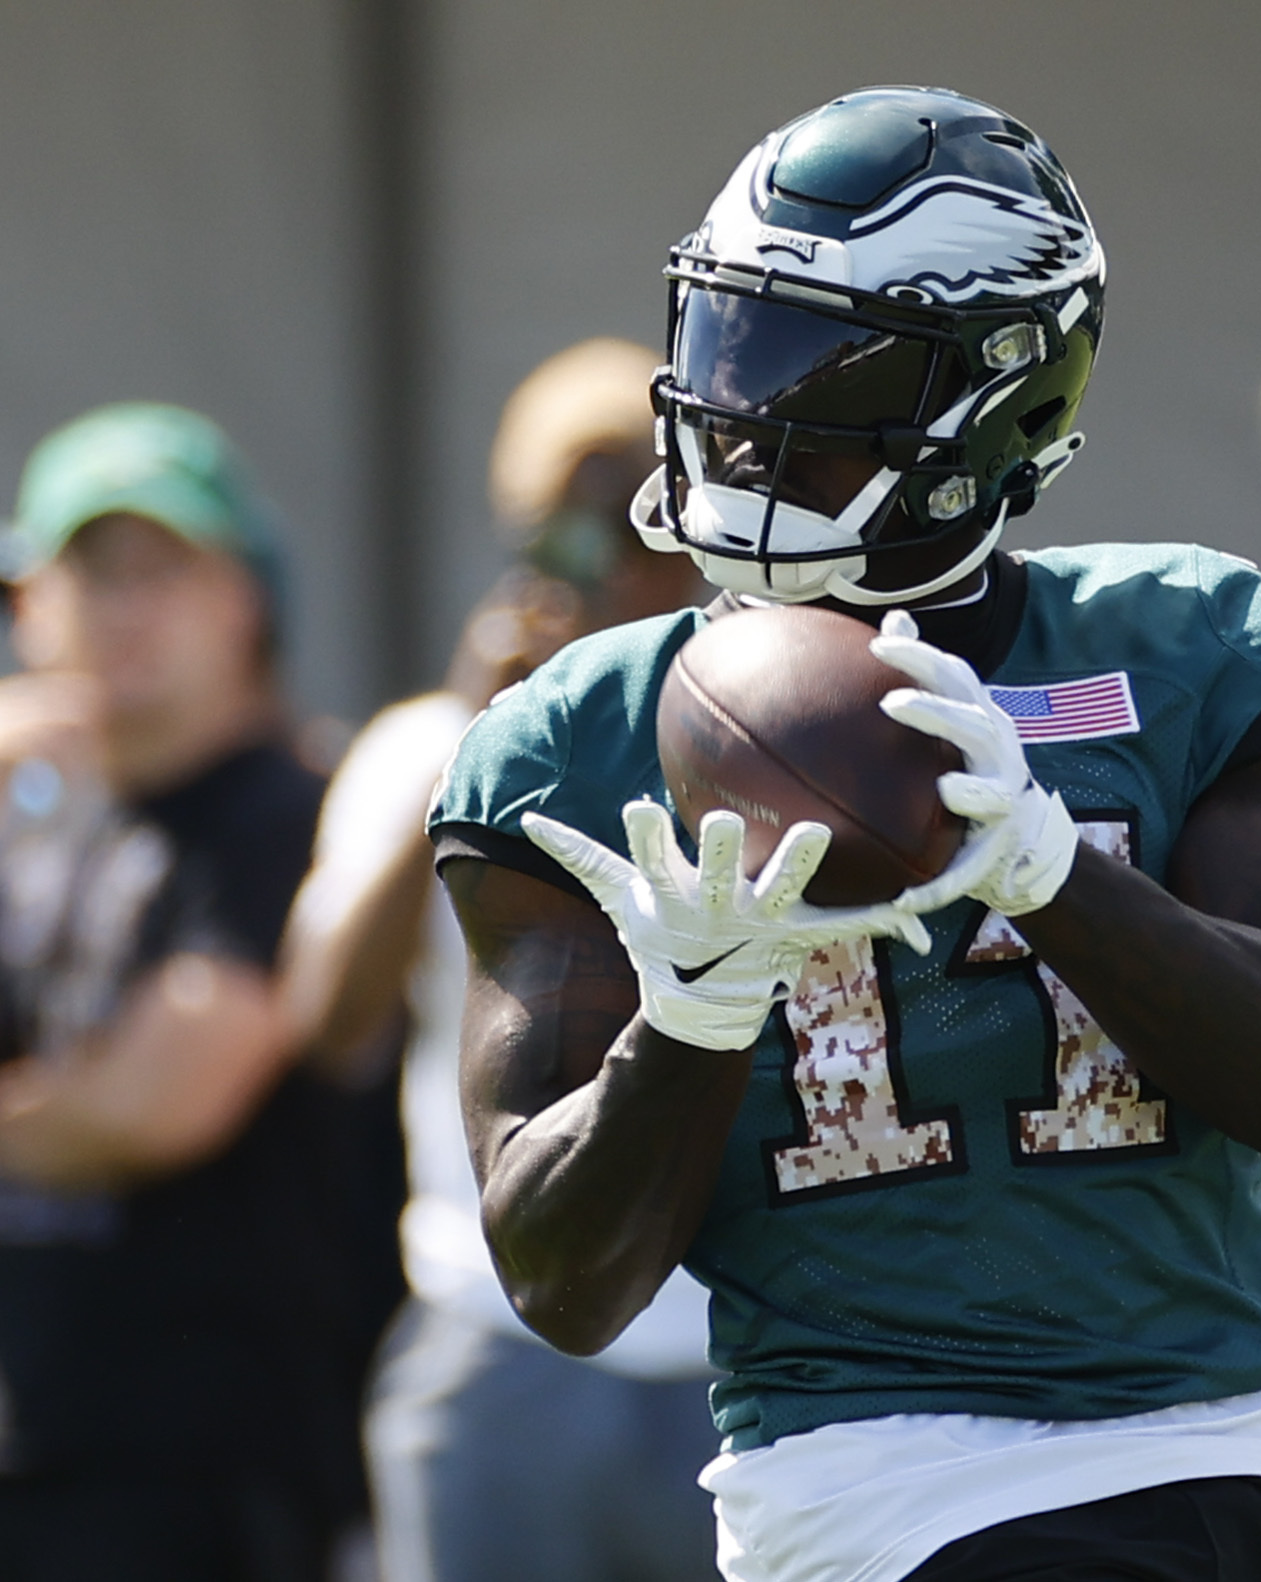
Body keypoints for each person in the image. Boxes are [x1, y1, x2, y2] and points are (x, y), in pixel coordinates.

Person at [429, 87, 1261, 1582]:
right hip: (878, 1491)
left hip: (1235, 1453)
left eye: (814, 365)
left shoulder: (1185, 648)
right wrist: (691, 1015)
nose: (743, 412)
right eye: (729, 343)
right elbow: (563, 1277)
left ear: (994, 399)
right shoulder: (576, 741)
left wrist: (1053, 872)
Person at [0, 403, 345, 1581]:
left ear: (242, 601)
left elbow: (155, 1106)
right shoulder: (11, 821)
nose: (121, 608)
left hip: (211, 1472)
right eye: (85, 574)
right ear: (25, 607)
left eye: (159, 570)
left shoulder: (289, 807)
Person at [279, 336, 717, 1582]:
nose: (618, 567)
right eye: (572, 534)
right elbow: (327, 1019)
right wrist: (472, 746)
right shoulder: (427, 739)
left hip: (736, 1339)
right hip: (492, 1331)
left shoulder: (771, 742)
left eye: (645, 518)